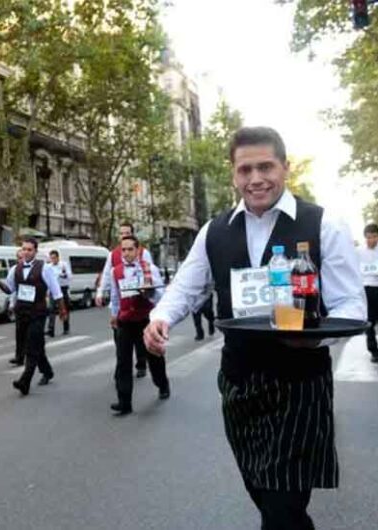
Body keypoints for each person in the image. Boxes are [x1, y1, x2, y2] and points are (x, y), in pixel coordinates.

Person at [144, 127, 364, 530]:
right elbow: (187, 286)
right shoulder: (215, 230)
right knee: (267, 498)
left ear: (285, 167)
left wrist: (313, 336)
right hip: (239, 383)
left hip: (299, 386)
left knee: (281, 509)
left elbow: (351, 304)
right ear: (233, 174)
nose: (256, 178)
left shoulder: (324, 224)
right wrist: (160, 318)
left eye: (266, 166)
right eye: (246, 169)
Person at [0, 237, 67, 396]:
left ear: (35, 251)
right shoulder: (15, 269)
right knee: (35, 345)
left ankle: (24, 381)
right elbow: (8, 289)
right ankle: (47, 371)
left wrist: (62, 310)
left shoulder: (44, 268)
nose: (26, 252)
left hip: (38, 313)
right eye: (24, 249)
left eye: (29, 249)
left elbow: (56, 291)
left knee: (32, 348)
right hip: (22, 312)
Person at [107, 235, 169, 416]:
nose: (126, 253)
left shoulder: (149, 269)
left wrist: (149, 293)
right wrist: (114, 314)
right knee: (123, 362)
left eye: (130, 249)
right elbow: (115, 296)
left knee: (154, 357)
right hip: (125, 321)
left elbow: (161, 296)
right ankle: (124, 401)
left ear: (137, 250)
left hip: (145, 320)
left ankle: (162, 384)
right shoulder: (115, 271)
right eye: (123, 250)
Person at [97, 221, 154, 378]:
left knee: (142, 341)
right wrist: (100, 292)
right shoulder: (113, 255)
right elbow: (108, 274)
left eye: (127, 233)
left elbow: (152, 279)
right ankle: (122, 370)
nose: (124, 236)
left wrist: (147, 289)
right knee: (120, 341)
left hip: (142, 306)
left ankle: (142, 363)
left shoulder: (144, 254)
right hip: (122, 307)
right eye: (121, 233)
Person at [358, 223, 378, 362]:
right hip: (366, 289)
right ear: (365, 237)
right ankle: (373, 350)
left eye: (374, 236)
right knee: (369, 320)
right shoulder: (359, 251)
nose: (371, 240)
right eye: (369, 237)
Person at [46, 249, 71, 336]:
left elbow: (69, 276)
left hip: (62, 289)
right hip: (53, 290)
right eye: (51, 258)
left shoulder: (64, 265)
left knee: (64, 309)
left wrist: (63, 274)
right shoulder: (48, 266)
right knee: (51, 309)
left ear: (58, 257)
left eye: (54, 258)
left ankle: (66, 328)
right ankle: (51, 329)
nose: (53, 260)